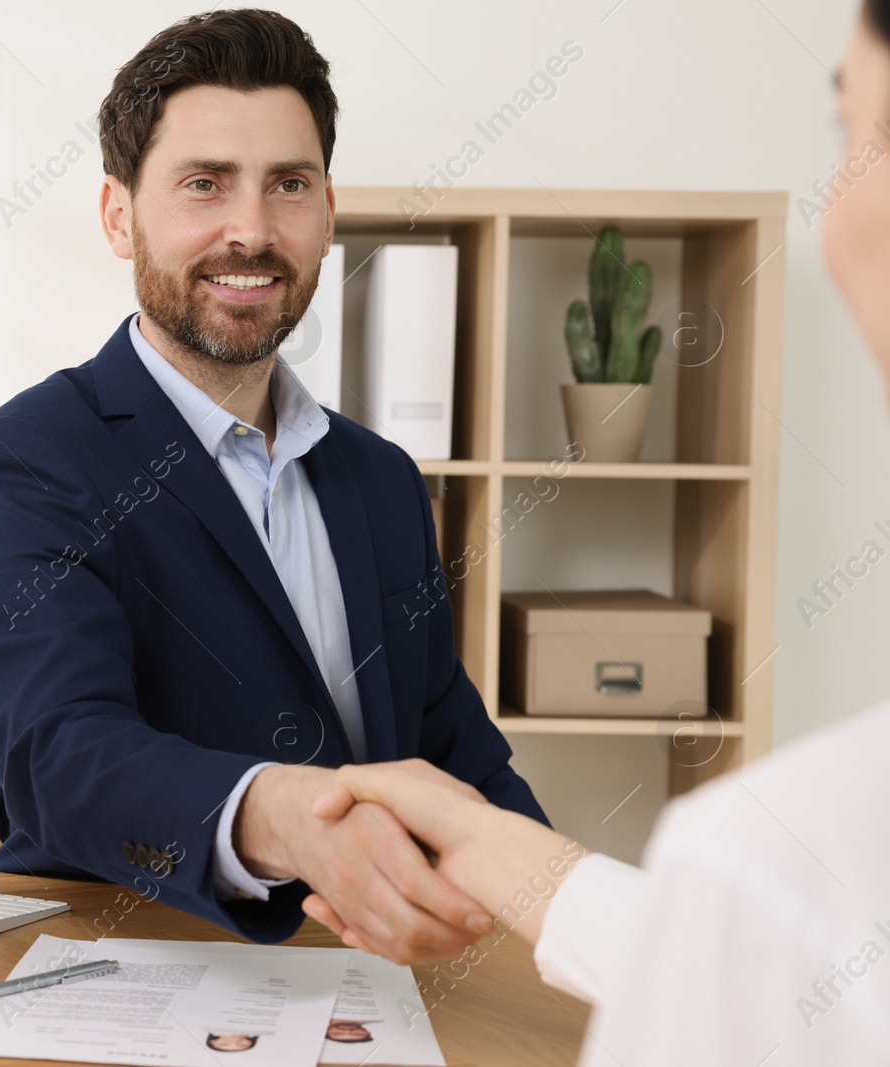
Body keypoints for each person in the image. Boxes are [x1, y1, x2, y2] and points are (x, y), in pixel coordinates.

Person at [303, 7, 890, 1046]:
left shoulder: (771, 862)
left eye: (855, 138)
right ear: (120, 214)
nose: (834, 208)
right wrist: (512, 857)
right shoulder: (29, 459)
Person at [0, 7, 544, 957]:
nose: (251, 231)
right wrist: (287, 813)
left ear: (328, 213)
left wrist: (586, 910)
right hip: (115, 980)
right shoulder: (25, 463)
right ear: (118, 216)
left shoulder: (381, 481)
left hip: (358, 985)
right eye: (204, 185)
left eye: (288, 185)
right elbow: (58, 758)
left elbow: (451, 750)